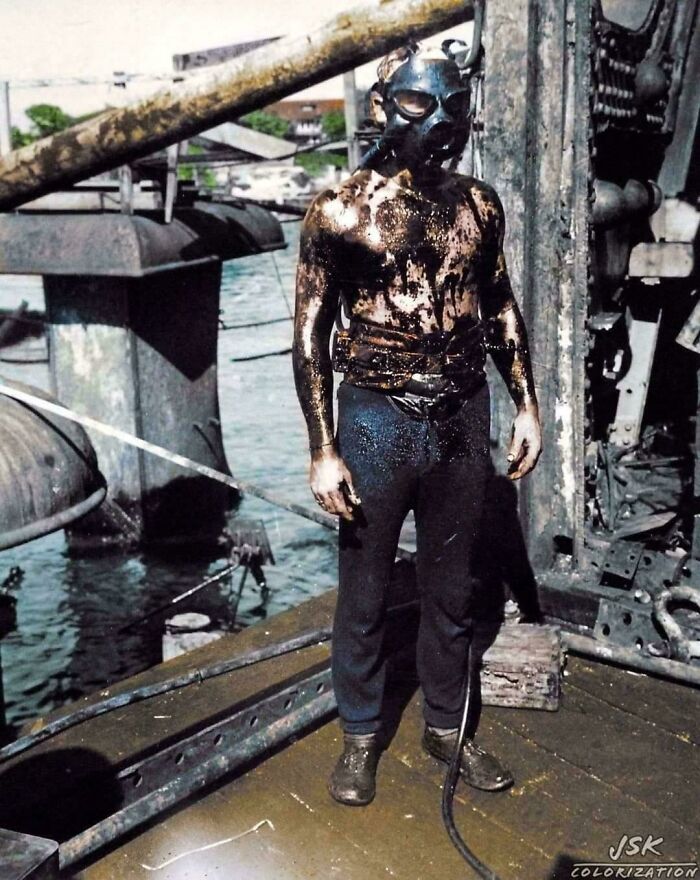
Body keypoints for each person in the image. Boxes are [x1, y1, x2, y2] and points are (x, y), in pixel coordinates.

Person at [292, 41, 542, 806]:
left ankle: (446, 726)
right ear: (383, 108)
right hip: (376, 417)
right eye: (416, 104)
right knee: (365, 589)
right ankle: (360, 735)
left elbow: (498, 304)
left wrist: (526, 404)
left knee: (455, 587)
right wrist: (323, 449)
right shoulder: (339, 213)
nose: (439, 121)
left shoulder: (479, 205)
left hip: (462, 413)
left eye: (454, 106)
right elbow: (309, 337)